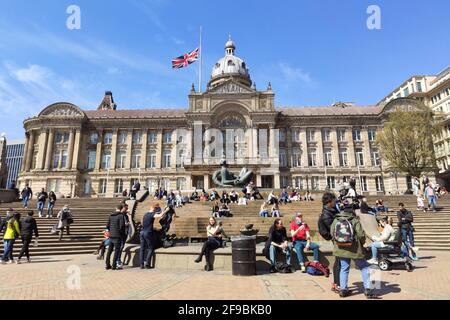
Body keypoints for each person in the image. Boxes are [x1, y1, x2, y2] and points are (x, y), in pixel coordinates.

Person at [331, 203, 376, 299]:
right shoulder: (355, 220)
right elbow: (361, 235)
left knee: (344, 268)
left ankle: (343, 290)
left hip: (341, 248)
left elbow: (332, 233)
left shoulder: (336, 220)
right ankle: (367, 289)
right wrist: (363, 243)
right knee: (364, 267)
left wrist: (338, 243)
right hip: (355, 249)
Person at [318, 192, 341, 293]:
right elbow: (334, 229)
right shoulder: (326, 214)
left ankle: (337, 283)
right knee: (339, 262)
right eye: (334, 200)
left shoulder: (332, 210)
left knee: (339, 261)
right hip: (337, 239)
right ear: (329, 202)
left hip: (339, 239)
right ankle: (337, 284)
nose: (335, 201)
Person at [139, 204, 168, 269]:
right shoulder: (152, 214)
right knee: (151, 248)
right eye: (155, 210)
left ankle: (141, 265)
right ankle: (147, 264)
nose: (156, 211)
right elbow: (160, 215)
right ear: (154, 209)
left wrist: (153, 228)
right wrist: (166, 210)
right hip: (147, 233)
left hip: (142, 232)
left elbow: (143, 223)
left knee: (142, 248)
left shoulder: (145, 214)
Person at [106, 204, 127, 270]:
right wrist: (121, 234)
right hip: (117, 236)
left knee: (109, 251)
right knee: (116, 251)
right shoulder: (121, 216)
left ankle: (107, 265)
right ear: (121, 209)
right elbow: (122, 226)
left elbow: (107, 226)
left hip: (111, 235)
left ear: (116, 208)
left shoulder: (111, 215)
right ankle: (114, 266)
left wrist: (111, 232)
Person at [116, 203, 130, 268]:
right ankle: (117, 260)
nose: (127, 209)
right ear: (123, 208)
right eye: (126, 208)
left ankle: (118, 259)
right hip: (120, 233)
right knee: (120, 246)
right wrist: (125, 224)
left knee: (122, 246)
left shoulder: (126, 215)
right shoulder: (119, 215)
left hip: (125, 233)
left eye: (127, 208)